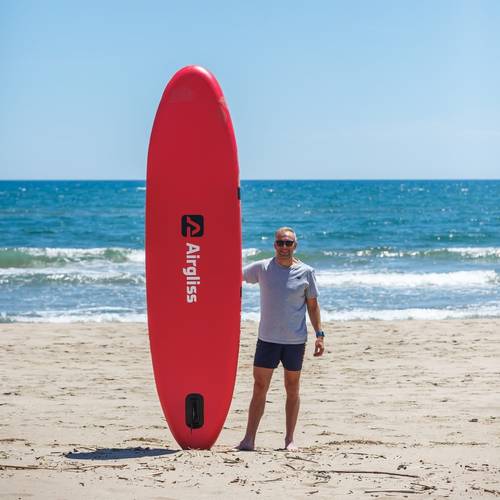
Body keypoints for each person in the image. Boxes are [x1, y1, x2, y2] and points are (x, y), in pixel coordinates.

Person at [237, 227, 325, 451]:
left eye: (288, 243)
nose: (284, 247)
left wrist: (319, 334)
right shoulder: (262, 268)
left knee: (292, 388)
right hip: (267, 339)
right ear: (274, 245)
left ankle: (289, 440)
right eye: (280, 243)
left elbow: (313, 307)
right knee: (259, 386)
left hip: (294, 342)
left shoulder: (306, 272)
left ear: (295, 245)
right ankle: (249, 439)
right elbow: (233, 276)